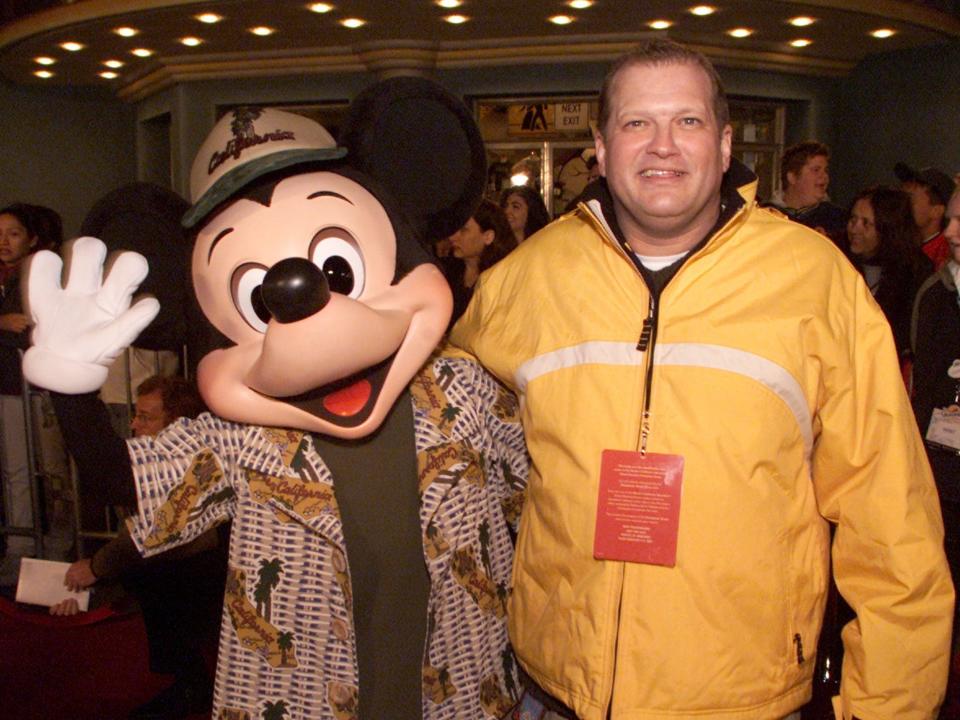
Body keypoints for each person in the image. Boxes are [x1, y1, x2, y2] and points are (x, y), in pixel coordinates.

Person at [451, 38, 953, 720]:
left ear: (722, 144)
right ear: (600, 146)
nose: (662, 145)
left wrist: (886, 708)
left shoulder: (815, 281)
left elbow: (890, 516)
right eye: (636, 123)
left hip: (743, 694)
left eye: (686, 121)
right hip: (557, 689)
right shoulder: (525, 281)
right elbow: (447, 446)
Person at [49, 375, 226, 720]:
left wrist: (96, 571)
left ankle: (193, 685)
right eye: (136, 414)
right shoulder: (150, 462)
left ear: (177, 425)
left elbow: (150, 538)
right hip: (176, 562)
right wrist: (88, 587)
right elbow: (137, 535)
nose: (133, 424)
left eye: (146, 417)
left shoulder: (195, 459)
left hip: (203, 570)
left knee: (157, 571)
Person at [912, 186, 960, 719]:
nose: (949, 233)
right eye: (949, 218)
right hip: (941, 474)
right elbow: (922, 388)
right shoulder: (935, 293)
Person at [846, 185, 933, 362]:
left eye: (866, 223)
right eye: (853, 219)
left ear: (888, 228)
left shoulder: (915, 271)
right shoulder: (842, 261)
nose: (854, 229)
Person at [446, 198, 516, 328]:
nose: (453, 237)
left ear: (488, 236)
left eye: (463, 230)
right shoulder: (446, 272)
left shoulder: (504, 278)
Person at [764, 141, 846, 245]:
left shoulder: (837, 219)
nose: (824, 176)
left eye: (826, 170)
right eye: (816, 170)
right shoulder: (766, 215)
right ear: (792, 177)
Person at [895, 162, 956, 270]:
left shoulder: (946, 255)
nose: (901, 204)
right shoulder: (900, 244)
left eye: (910, 199)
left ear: (936, 211)